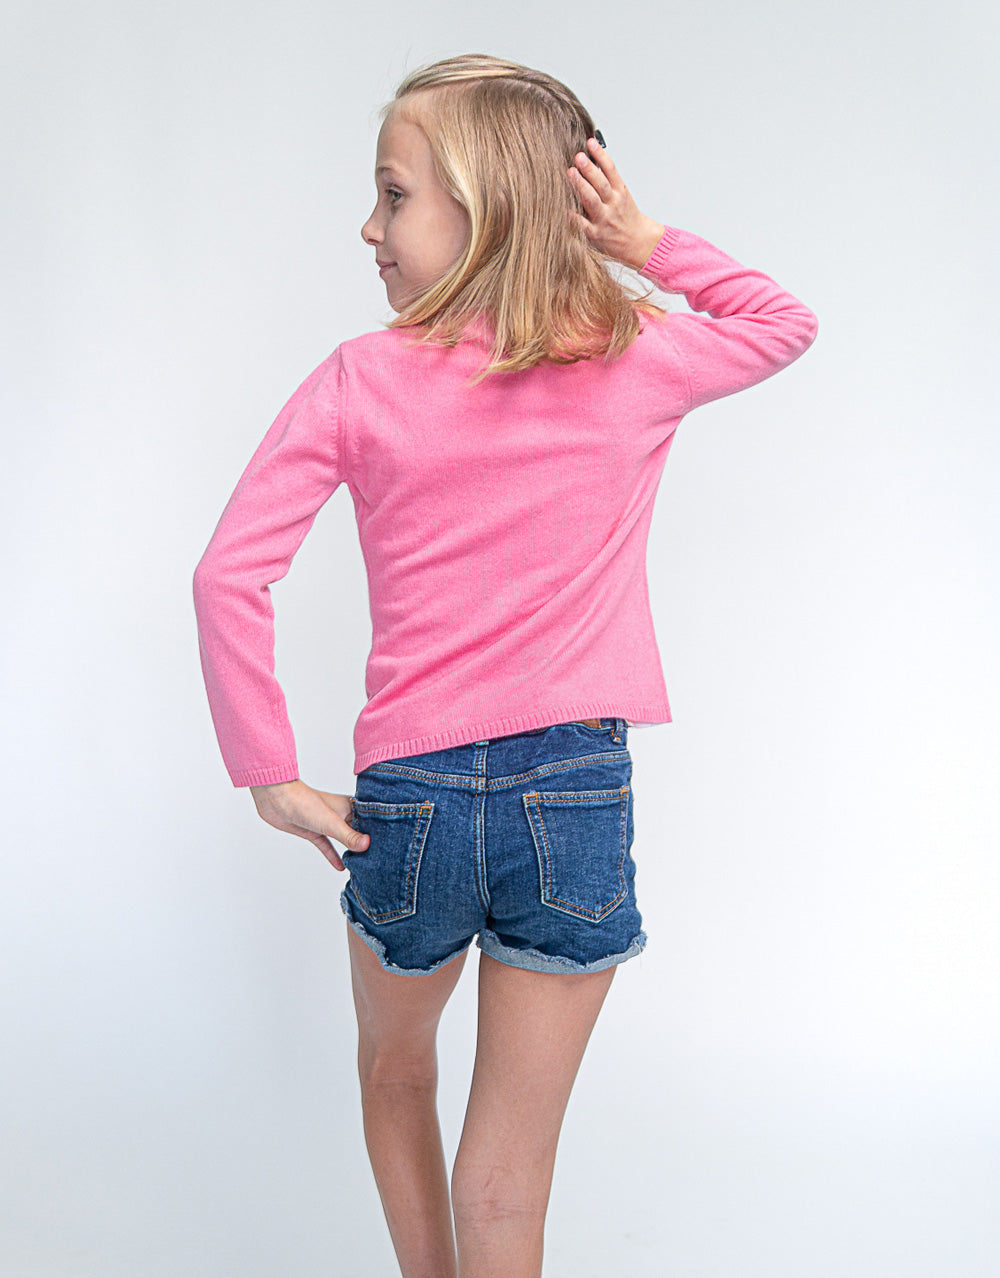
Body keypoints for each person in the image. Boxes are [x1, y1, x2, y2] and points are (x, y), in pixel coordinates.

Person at [192, 52, 818, 1278]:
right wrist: (644, 242)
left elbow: (228, 575)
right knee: (508, 1183)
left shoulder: (361, 377)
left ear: (481, 208)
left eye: (392, 196)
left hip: (411, 805)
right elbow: (781, 323)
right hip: (574, 794)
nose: (368, 227)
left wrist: (269, 775)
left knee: (394, 1074)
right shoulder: (635, 352)